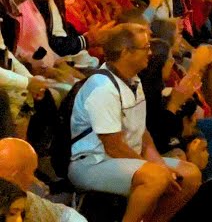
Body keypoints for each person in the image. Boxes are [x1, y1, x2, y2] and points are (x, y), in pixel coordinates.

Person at [67, 25, 201, 222]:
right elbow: (113, 146)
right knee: (156, 178)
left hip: (126, 159)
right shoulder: (103, 88)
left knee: (190, 175)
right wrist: (156, 169)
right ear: (125, 52)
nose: (150, 52)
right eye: (145, 47)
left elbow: (142, 133)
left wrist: (159, 163)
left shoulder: (133, 81)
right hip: (92, 163)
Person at [0, 137, 87, 222]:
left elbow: (66, 216)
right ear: (14, 177)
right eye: (32, 172)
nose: (34, 180)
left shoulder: (27, 199)